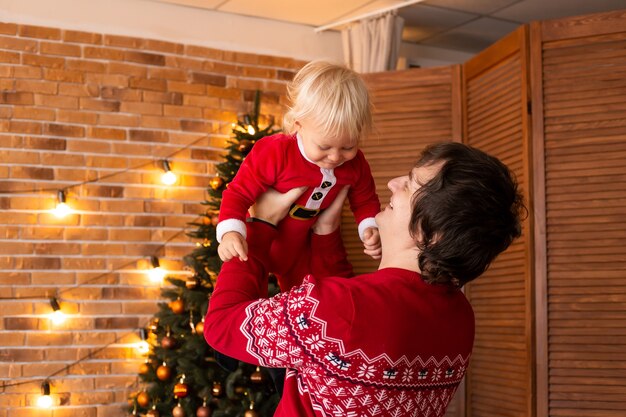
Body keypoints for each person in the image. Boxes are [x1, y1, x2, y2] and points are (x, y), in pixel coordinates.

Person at [205, 142, 525, 417]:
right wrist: (326, 234)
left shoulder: (344, 308)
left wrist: (259, 224)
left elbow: (222, 326)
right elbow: (346, 337)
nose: (393, 183)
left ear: (432, 233)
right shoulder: (460, 319)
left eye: (411, 185)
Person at [216, 60, 381, 292]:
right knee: (248, 294)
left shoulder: (356, 163)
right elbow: (238, 193)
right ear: (298, 126)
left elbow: (365, 200)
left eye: (347, 147)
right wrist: (231, 232)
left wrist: (369, 228)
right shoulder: (275, 151)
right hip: (259, 240)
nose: (335, 157)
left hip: (304, 248)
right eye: (324, 147)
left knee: (311, 298)